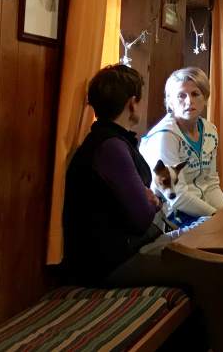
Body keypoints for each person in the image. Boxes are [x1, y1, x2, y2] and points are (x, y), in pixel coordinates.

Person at [62, 64, 175, 286]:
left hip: (119, 252)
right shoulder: (111, 147)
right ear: (132, 103)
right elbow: (142, 218)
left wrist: (147, 199)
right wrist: (151, 202)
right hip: (109, 263)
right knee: (202, 267)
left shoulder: (107, 141)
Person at [141, 67, 223, 223]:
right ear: (170, 102)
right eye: (181, 96)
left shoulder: (210, 130)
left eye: (195, 94)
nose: (189, 101)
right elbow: (176, 196)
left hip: (203, 211)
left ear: (205, 98)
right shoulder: (165, 136)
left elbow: (210, 184)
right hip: (170, 215)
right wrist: (217, 217)